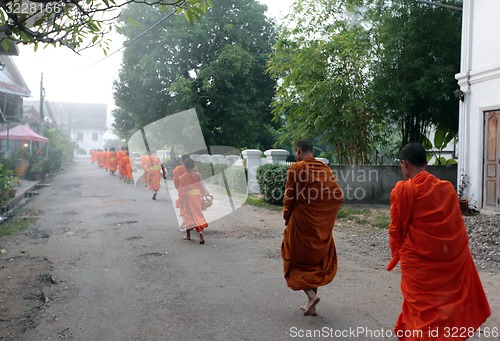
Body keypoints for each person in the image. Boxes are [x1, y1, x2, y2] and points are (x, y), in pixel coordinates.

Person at [387, 143, 490, 340]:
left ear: (404, 164)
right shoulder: (447, 189)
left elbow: (395, 229)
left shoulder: (401, 192)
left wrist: (396, 253)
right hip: (447, 260)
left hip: (417, 262)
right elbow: (456, 227)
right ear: (426, 163)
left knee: (420, 309)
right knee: (445, 308)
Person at [281, 140, 344, 317]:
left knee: (294, 260)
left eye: (295, 152)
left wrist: (287, 214)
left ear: (298, 151)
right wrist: (325, 216)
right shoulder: (325, 169)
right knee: (314, 262)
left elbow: (289, 195)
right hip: (319, 226)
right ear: (313, 151)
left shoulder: (297, 167)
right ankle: (312, 306)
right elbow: (338, 196)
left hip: (301, 222)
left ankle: (310, 296)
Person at [178, 158, 211, 244]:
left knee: (188, 215)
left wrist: (181, 200)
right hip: (197, 197)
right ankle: (200, 232)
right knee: (198, 214)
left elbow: (181, 191)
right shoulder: (198, 175)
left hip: (188, 198)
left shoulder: (182, 178)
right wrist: (206, 195)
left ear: (184, 166)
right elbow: (202, 186)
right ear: (194, 166)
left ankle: (188, 235)